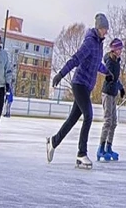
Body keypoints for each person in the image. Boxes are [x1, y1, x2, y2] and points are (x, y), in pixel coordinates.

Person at [46, 14, 113, 169]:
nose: (106, 32)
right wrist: (61, 74)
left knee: (72, 119)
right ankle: (81, 154)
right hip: (79, 84)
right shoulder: (90, 42)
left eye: (106, 29)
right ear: (98, 27)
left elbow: (96, 64)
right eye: (104, 28)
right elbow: (76, 59)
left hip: (86, 87)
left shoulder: (99, 44)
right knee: (88, 115)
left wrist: (107, 72)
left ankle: (53, 141)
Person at [97, 38, 126, 162]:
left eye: (121, 49)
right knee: (108, 121)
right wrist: (108, 76)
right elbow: (108, 73)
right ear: (114, 49)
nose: (120, 51)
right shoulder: (110, 60)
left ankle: (109, 147)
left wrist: (121, 88)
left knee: (114, 122)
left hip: (113, 93)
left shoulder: (117, 62)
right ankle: (101, 148)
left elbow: (116, 78)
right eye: (119, 49)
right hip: (107, 93)